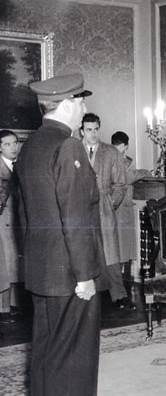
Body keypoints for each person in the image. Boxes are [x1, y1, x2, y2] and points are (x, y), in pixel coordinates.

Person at [17, 73, 106, 396]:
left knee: (48, 353)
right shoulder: (69, 146)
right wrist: (85, 276)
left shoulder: (31, 146)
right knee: (74, 361)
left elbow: (25, 214)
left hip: (42, 270)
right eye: (81, 102)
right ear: (67, 104)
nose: (85, 109)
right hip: (70, 273)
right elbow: (76, 216)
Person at [80, 114, 132, 309]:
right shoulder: (74, 150)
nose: (93, 134)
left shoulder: (110, 152)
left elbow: (120, 184)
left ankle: (119, 295)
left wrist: (112, 202)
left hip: (104, 205)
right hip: (80, 206)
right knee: (83, 248)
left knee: (110, 250)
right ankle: (85, 294)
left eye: (96, 129)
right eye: (88, 130)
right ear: (81, 131)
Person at [111, 131, 151, 279]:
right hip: (119, 208)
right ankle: (119, 281)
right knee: (120, 248)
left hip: (122, 208)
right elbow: (126, 177)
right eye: (125, 148)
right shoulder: (115, 159)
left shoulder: (113, 156)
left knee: (122, 248)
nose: (125, 152)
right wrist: (146, 172)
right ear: (124, 145)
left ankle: (121, 279)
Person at [0, 130, 23, 323]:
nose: (13, 147)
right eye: (7, 144)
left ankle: (13, 305)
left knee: (15, 264)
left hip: (17, 222)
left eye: (15, 143)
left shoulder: (21, 166)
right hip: (3, 223)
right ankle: (3, 309)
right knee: (5, 266)